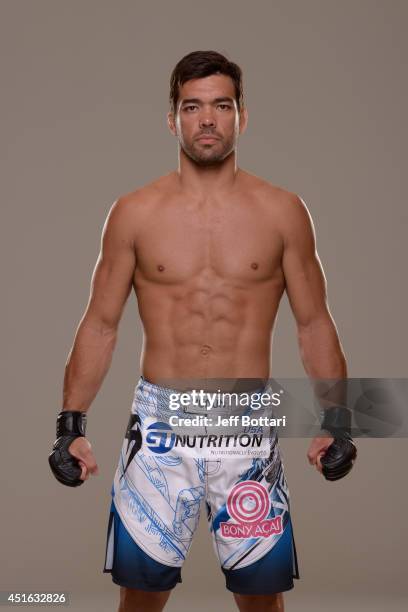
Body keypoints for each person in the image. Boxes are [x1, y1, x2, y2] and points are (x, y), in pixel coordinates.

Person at [48, 50, 357, 612]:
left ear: (242, 115)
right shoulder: (134, 212)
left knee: (262, 597)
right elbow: (100, 323)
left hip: (245, 426)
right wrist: (70, 424)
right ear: (173, 118)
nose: (207, 119)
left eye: (221, 105)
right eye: (193, 107)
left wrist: (338, 420)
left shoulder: (284, 211)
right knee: (140, 596)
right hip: (160, 428)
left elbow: (314, 323)